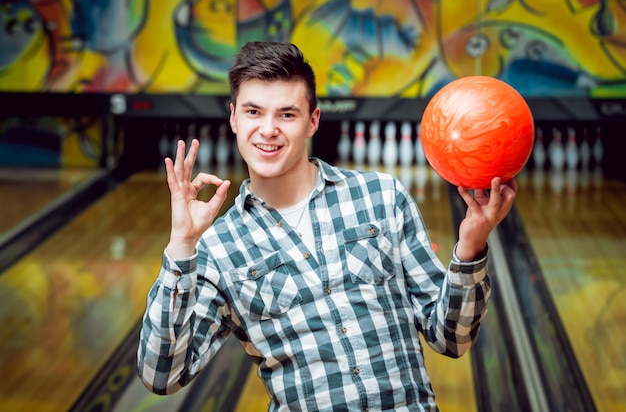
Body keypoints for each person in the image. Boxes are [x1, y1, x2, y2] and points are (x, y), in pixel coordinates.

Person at [137, 41, 518, 411]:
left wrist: (470, 247)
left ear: (312, 121)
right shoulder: (217, 248)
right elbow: (162, 376)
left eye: (287, 114)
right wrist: (182, 245)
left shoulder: (381, 196)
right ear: (234, 118)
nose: (268, 129)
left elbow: (451, 338)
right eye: (254, 112)